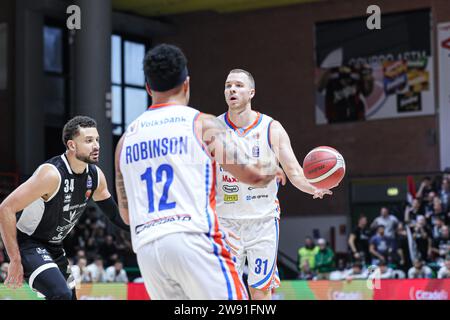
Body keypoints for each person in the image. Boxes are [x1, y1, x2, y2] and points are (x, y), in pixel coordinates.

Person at [114, 44, 285, 300]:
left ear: (148, 88)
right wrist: (274, 169)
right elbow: (254, 176)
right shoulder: (202, 124)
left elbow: (126, 215)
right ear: (186, 83)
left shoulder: (125, 141)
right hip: (193, 241)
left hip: (149, 250)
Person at [215, 68, 332, 300]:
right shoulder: (213, 129)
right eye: (228, 85)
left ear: (251, 92)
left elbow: (295, 171)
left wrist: (313, 188)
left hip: (263, 221)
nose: (232, 90)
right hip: (225, 222)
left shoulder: (271, 128)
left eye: (238, 85)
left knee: (260, 292)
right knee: (226, 292)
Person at [0, 116, 129, 300]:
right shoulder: (51, 174)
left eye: (97, 140)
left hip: (54, 247)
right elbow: (5, 208)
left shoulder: (96, 176)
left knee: (69, 296)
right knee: (60, 294)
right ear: (72, 145)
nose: (96, 145)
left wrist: (140, 227)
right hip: (28, 244)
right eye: (89, 140)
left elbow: (115, 216)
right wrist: (14, 259)